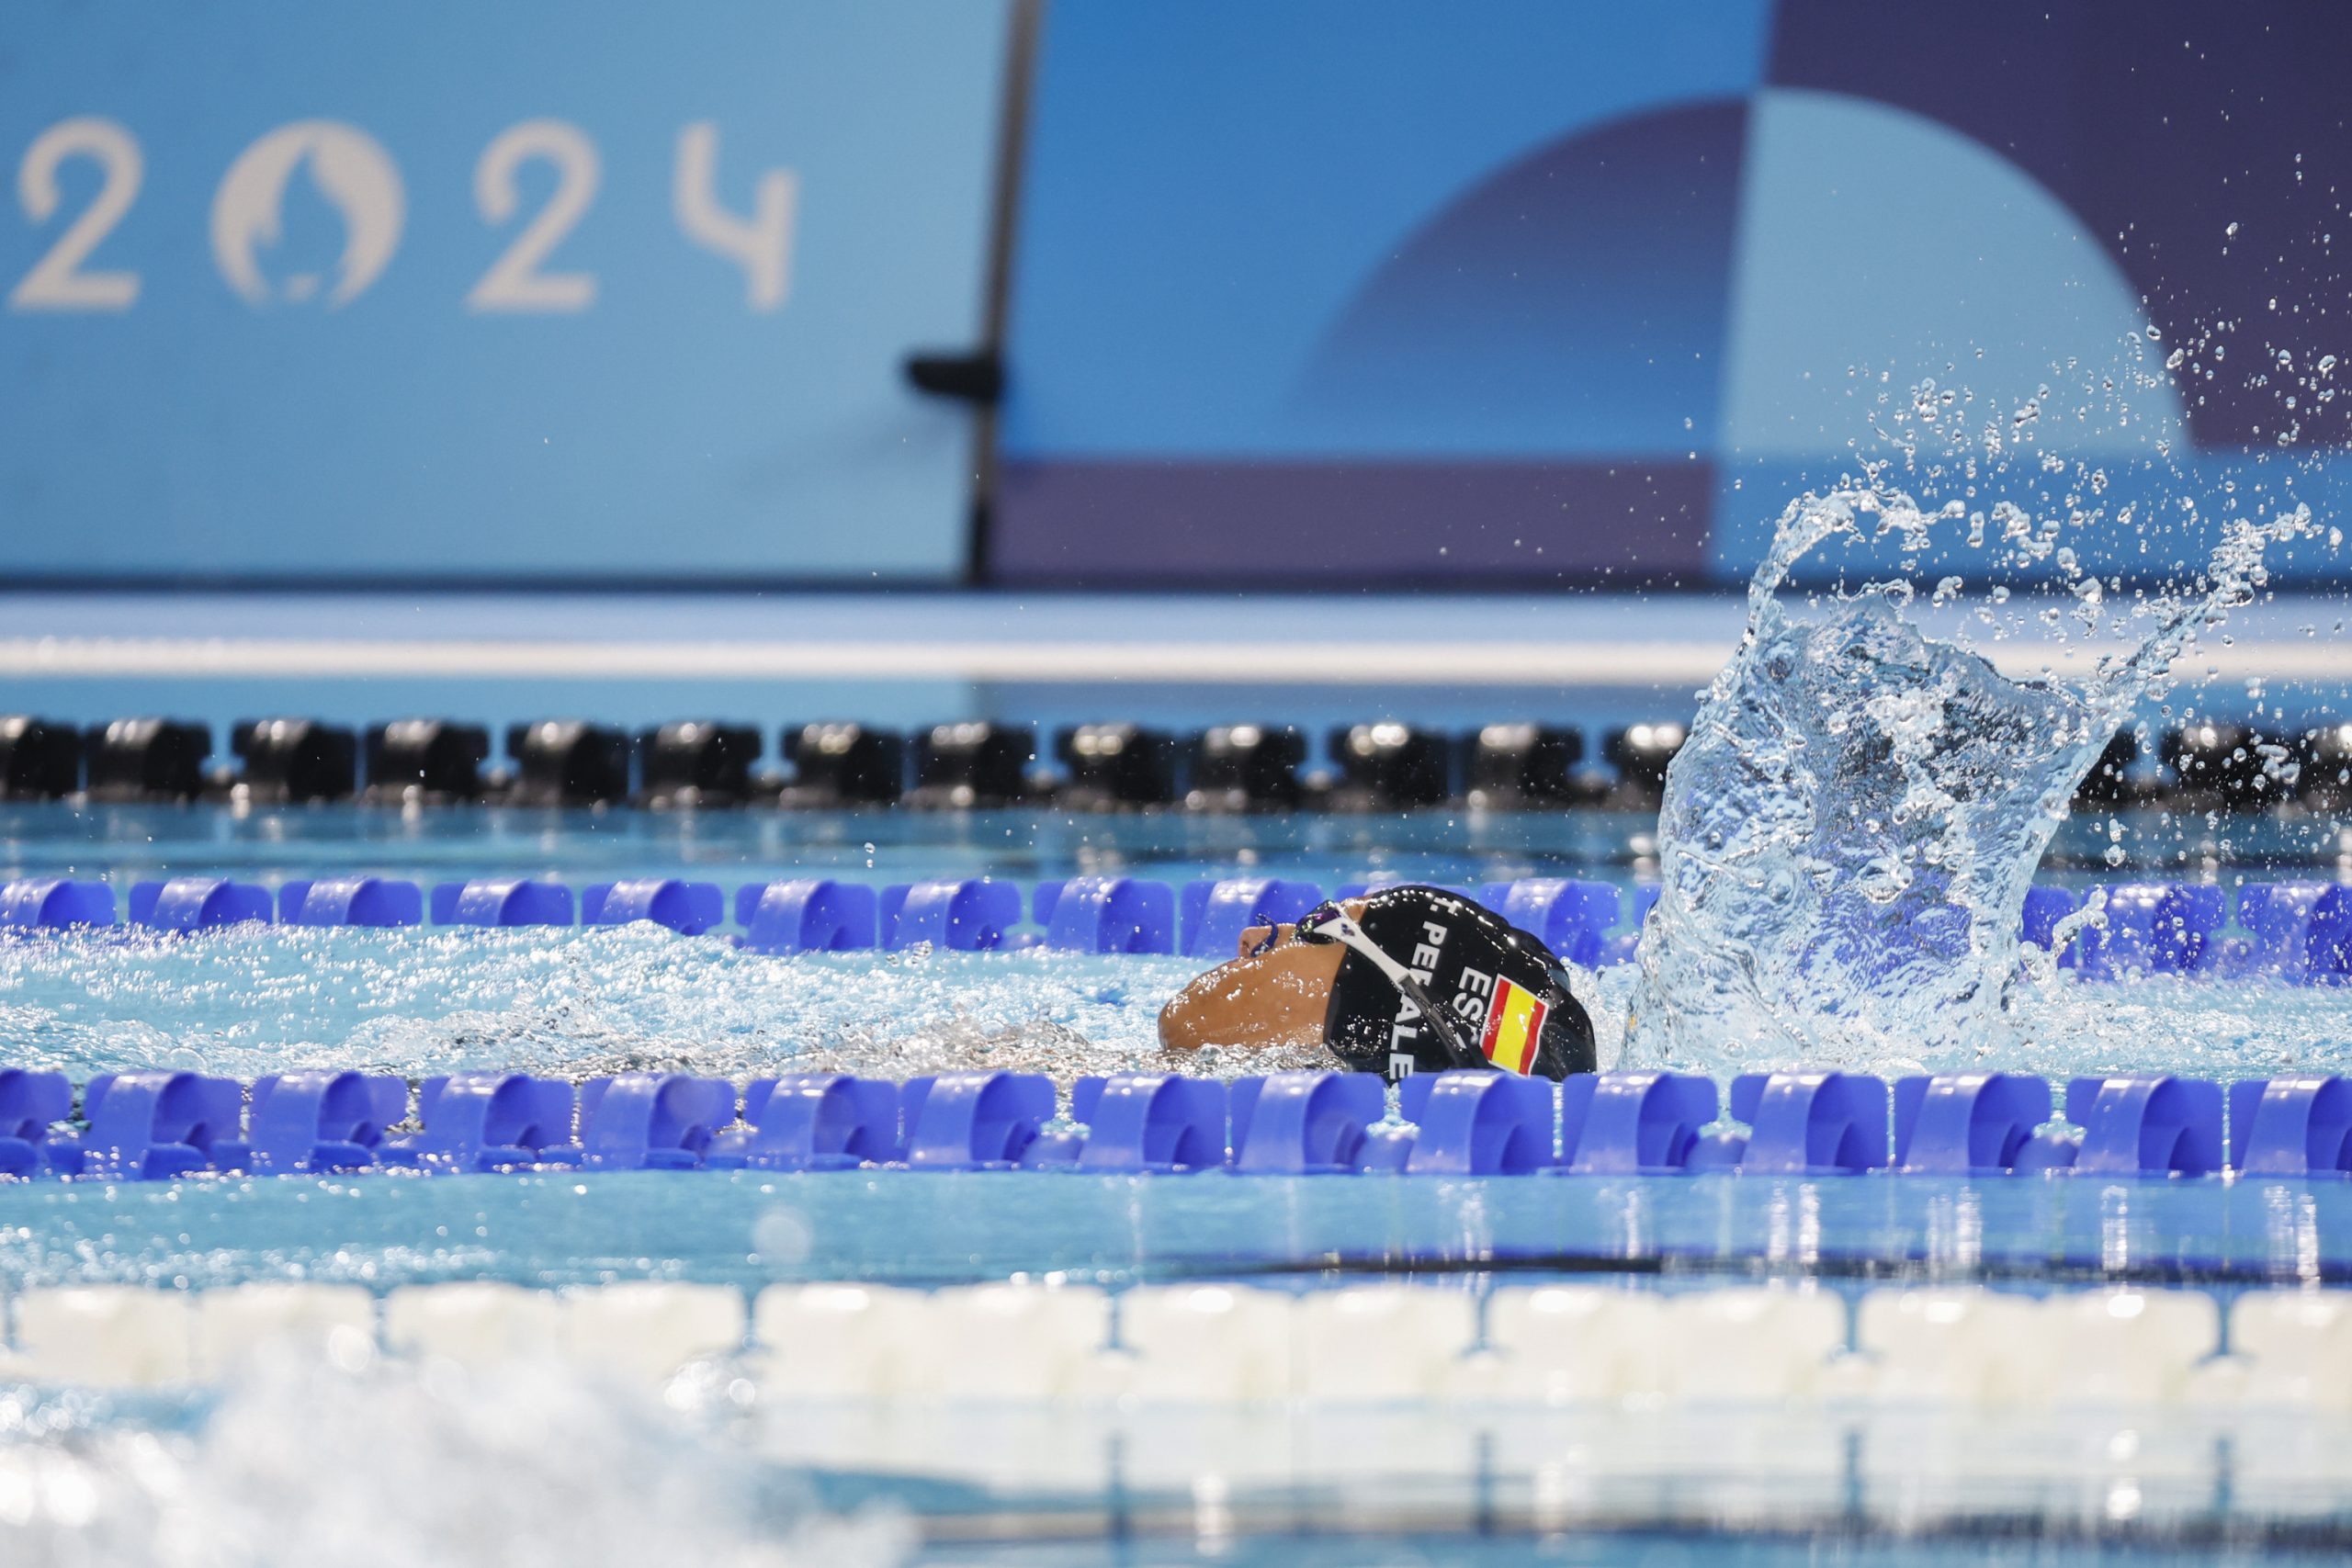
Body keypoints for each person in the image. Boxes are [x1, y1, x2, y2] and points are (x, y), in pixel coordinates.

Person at [1157, 885, 1596, 1082]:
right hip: (1507, 965)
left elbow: (1181, 1025)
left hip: (1401, 950)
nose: (1245, 941)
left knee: (1183, 1030)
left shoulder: (1361, 985)